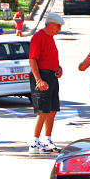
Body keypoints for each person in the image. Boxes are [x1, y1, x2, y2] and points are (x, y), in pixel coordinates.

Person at [28, 13, 64, 154]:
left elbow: (50, 58)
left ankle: (47, 139)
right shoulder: (38, 37)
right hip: (42, 76)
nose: (59, 29)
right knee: (43, 111)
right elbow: (32, 59)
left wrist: (58, 69)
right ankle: (35, 143)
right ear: (50, 24)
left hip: (52, 76)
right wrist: (38, 80)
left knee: (52, 110)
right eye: (58, 26)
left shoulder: (50, 38)